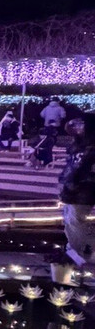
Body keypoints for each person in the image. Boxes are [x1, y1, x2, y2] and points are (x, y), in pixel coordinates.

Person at [59, 113, 95, 266]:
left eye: (82, 125)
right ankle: (74, 251)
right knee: (70, 221)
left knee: (75, 221)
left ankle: (80, 254)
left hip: (84, 190)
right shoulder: (79, 145)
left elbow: (82, 169)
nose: (78, 127)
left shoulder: (91, 148)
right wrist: (64, 181)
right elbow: (72, 167)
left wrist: (72, 184)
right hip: (73, 189)